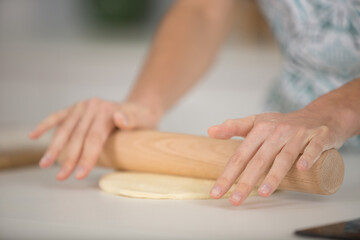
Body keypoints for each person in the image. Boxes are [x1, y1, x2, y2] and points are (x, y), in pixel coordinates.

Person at [29, 0, 360, 206]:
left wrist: (338, 110)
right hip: (285, 148)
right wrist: (144, 104)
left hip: (313, 144)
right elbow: (202, 8)